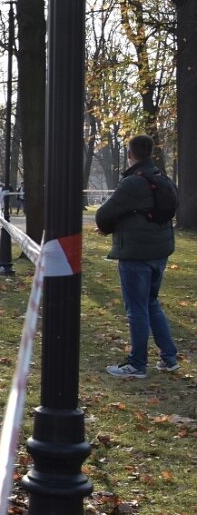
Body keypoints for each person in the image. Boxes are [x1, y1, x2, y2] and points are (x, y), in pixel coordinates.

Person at [96, 134, 179, 378]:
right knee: (151, 302)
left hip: (136, 254)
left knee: (136, 309)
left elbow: (104, 214)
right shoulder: (162, 178)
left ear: (131, 154)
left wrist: (110, 226)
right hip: (160, 251)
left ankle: (137, 364)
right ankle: (169, 357)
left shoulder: (132, 183)